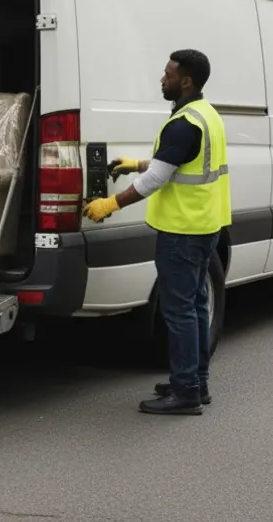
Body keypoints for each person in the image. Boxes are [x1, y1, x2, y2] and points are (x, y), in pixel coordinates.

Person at [82, 49, 231, 415]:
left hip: (181, 231)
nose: (162, 79)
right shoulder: (205, 115)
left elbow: (156, 180)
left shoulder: (183, 124)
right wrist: (137, 163)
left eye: (168, 74)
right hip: (204, 226)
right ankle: (196, 383)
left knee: (179, 312)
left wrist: (109, 205)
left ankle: (185, 394)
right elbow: (177, 163)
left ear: (186, 81)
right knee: (195, 306)